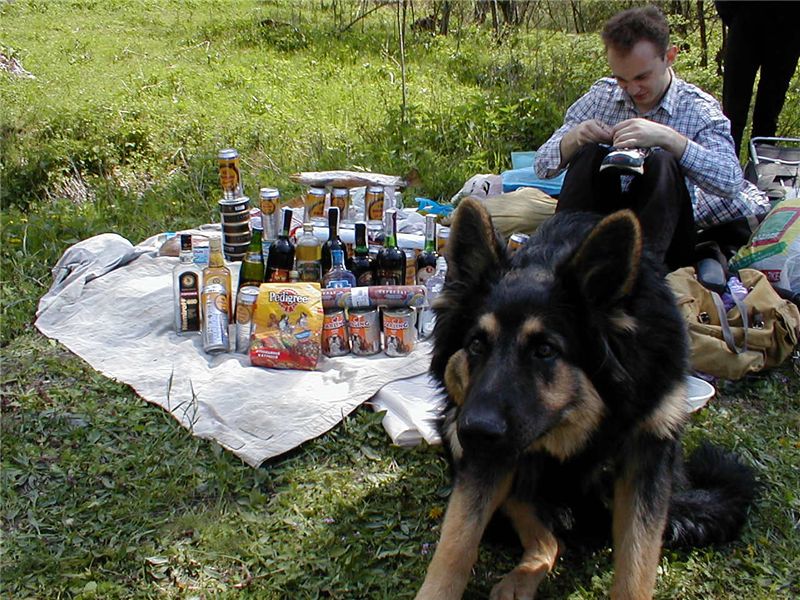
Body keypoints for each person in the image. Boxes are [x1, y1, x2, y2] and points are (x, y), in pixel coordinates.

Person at [535, 5, 770, 269]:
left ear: (669, 57)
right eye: (621, 79)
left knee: (663, 161)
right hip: (600, 224)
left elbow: (730, 182)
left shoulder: (698, 109)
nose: (632, 89)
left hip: (665, 238)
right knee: (588, 152)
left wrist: (670, 140)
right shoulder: (601, 97)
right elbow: (542, 166)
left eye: (642, 77)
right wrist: (574, 138)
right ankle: (561, 262)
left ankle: (640, 275)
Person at [715, 1, 800, 157]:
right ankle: (726, 165)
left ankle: (762, 168)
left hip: (789, 31)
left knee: (768, 117)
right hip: (744, 25)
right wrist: (734, 16)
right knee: (732, 113)